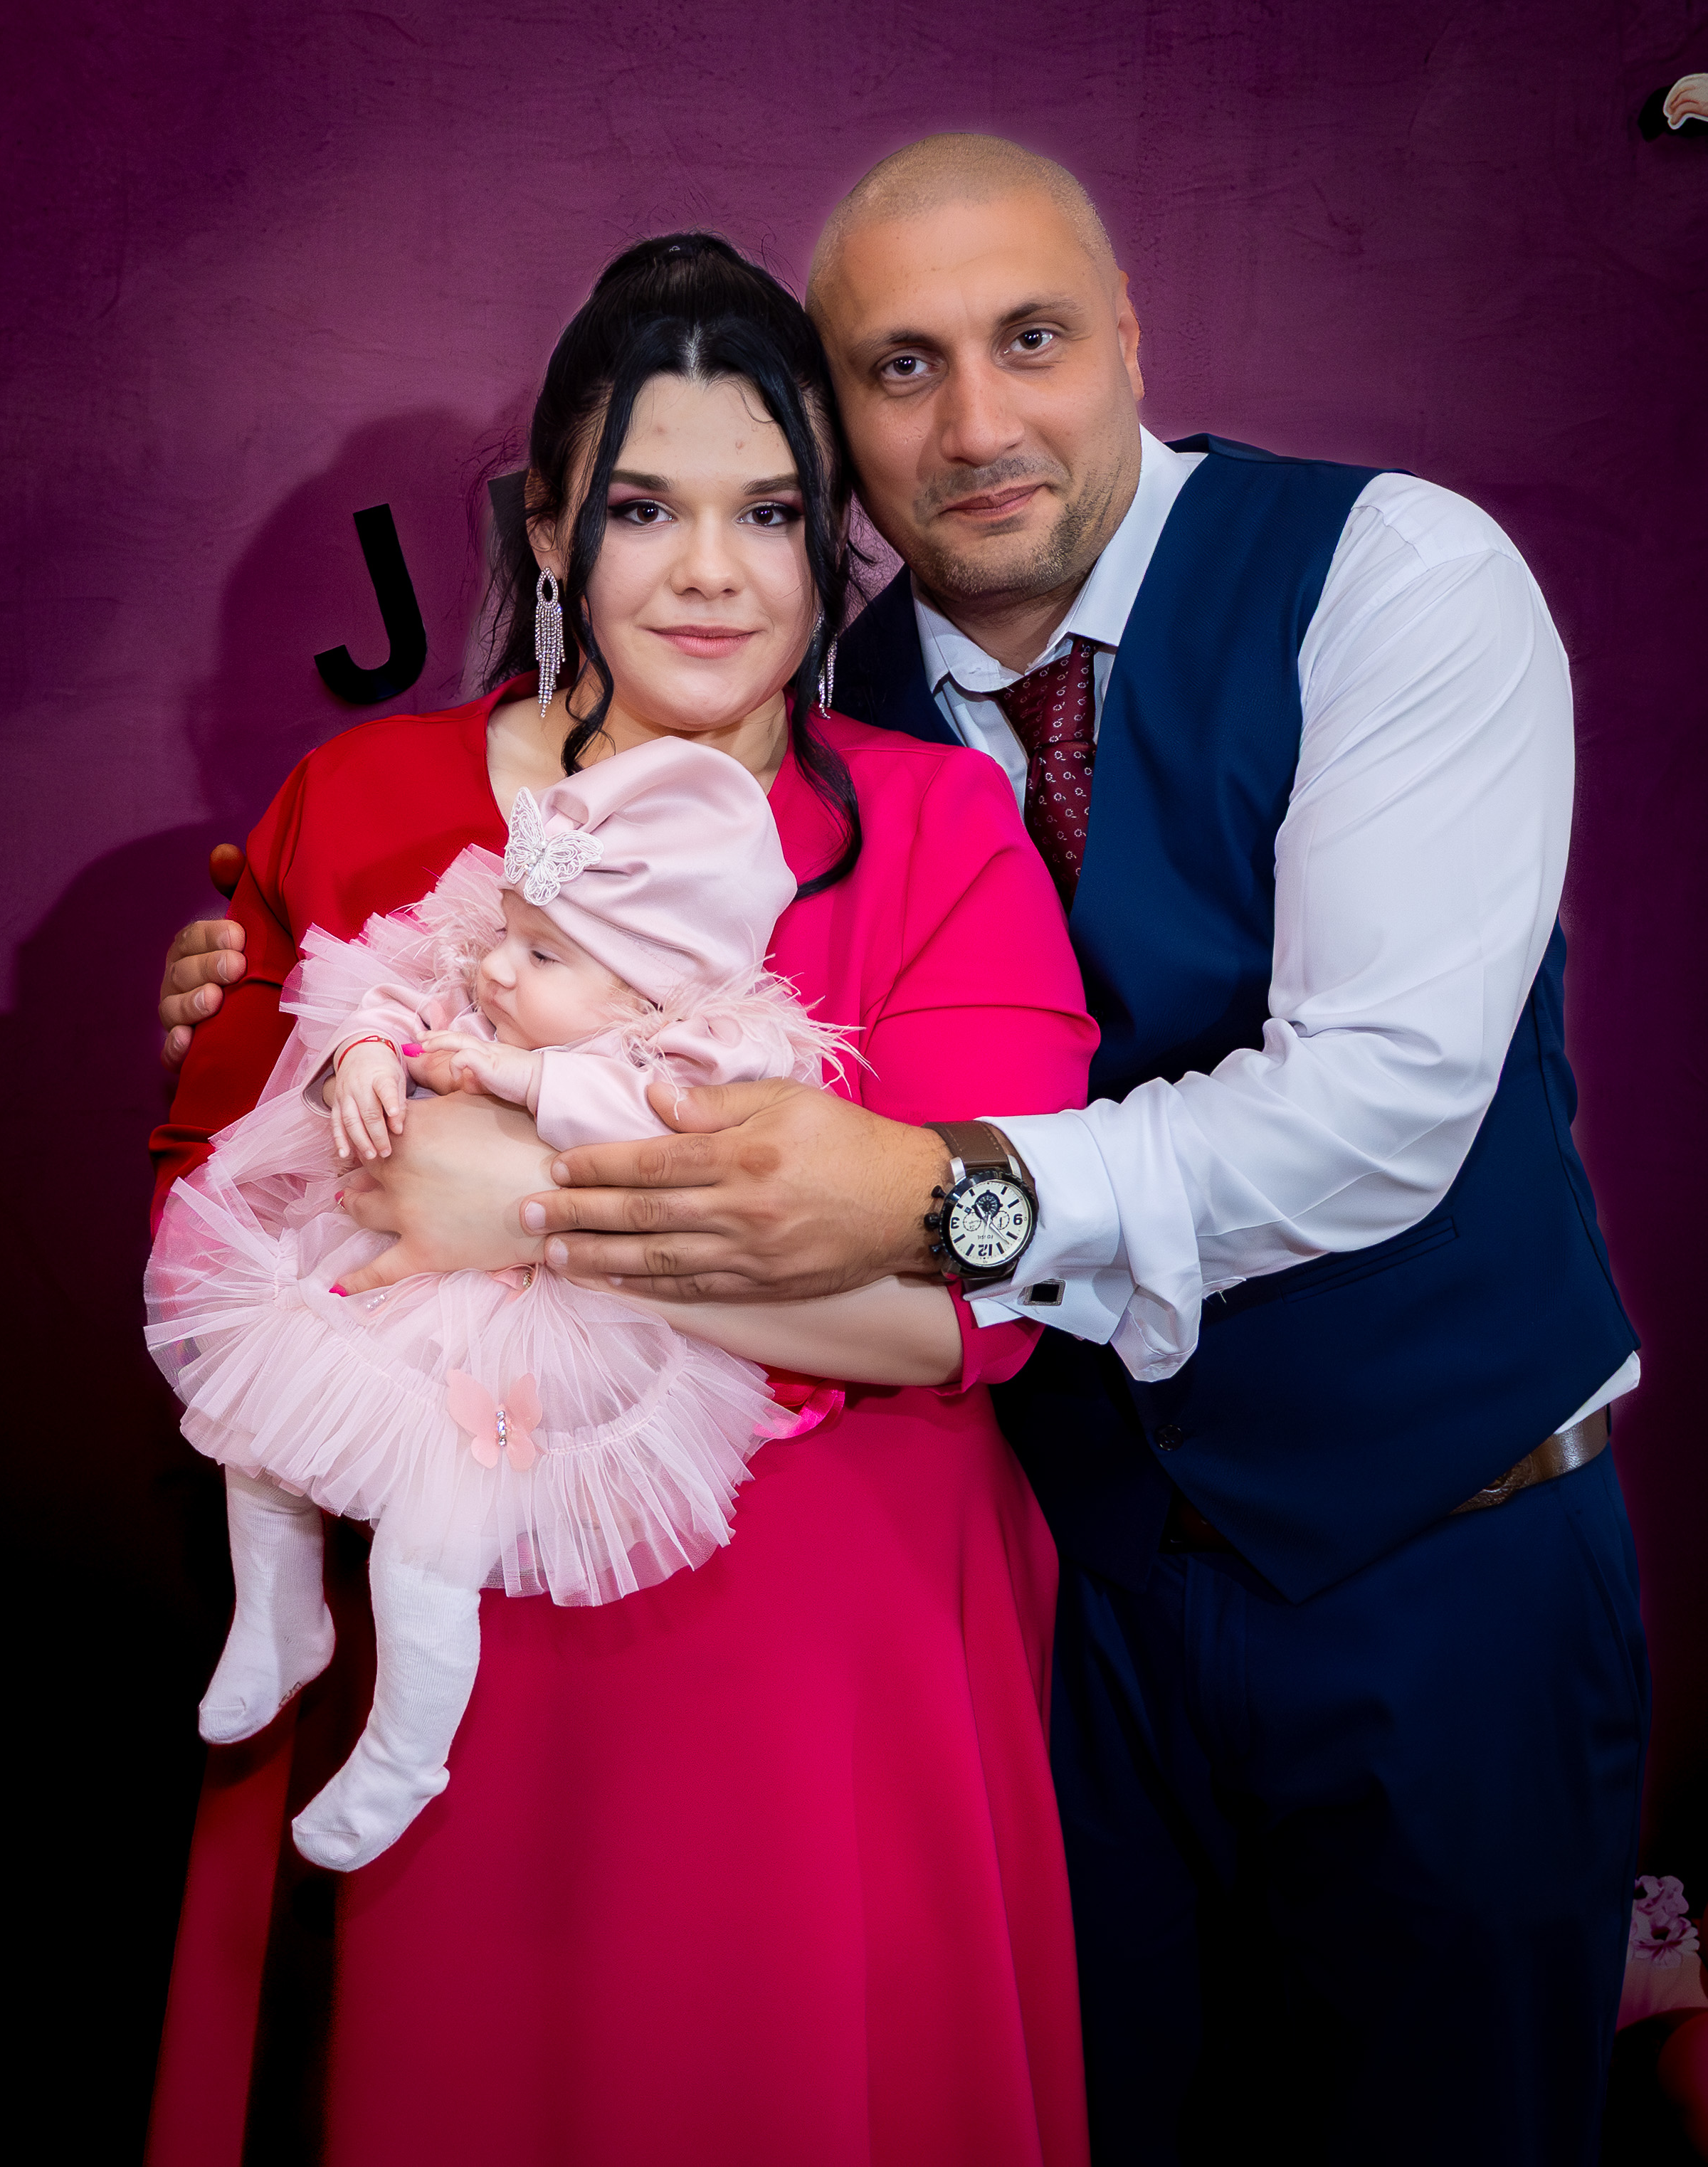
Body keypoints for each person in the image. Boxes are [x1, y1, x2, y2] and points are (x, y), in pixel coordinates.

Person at [166, 139, 1648, 2163]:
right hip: (1086, 1596)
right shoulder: (809, 707)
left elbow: (1375, 1109)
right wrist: (264, 985)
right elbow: (273, 1080)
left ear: (1129, 341)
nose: (975, 424)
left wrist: (905, 1200)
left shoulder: (1390, 576)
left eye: (1030, 339)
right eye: (900, 368)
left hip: (1434, 1542)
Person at [144, 231, 1096, 2167]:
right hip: (448, 1656)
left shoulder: (936, 827)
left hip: (830, 1675)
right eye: (645, 507)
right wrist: (764, 1248)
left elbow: (963, 1308)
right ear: (551, 528)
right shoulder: (362, 799)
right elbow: (214, 1213)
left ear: (830, 534)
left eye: (770, 511)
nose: (711, 572)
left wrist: (508, 1201)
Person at [147, 736, 974, 1875]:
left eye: (539, 953)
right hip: (395, 1292)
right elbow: (390, 998)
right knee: (255, 1430)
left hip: (526, 1341)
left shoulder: (673, 1059)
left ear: (643, 995)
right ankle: (280, 1614)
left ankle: (405, 1750)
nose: (494, 969)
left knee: (426, 1552)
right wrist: (373, 1053)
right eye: (507, 933)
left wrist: (517, 1076)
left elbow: (642, 1128)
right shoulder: (486, 982)